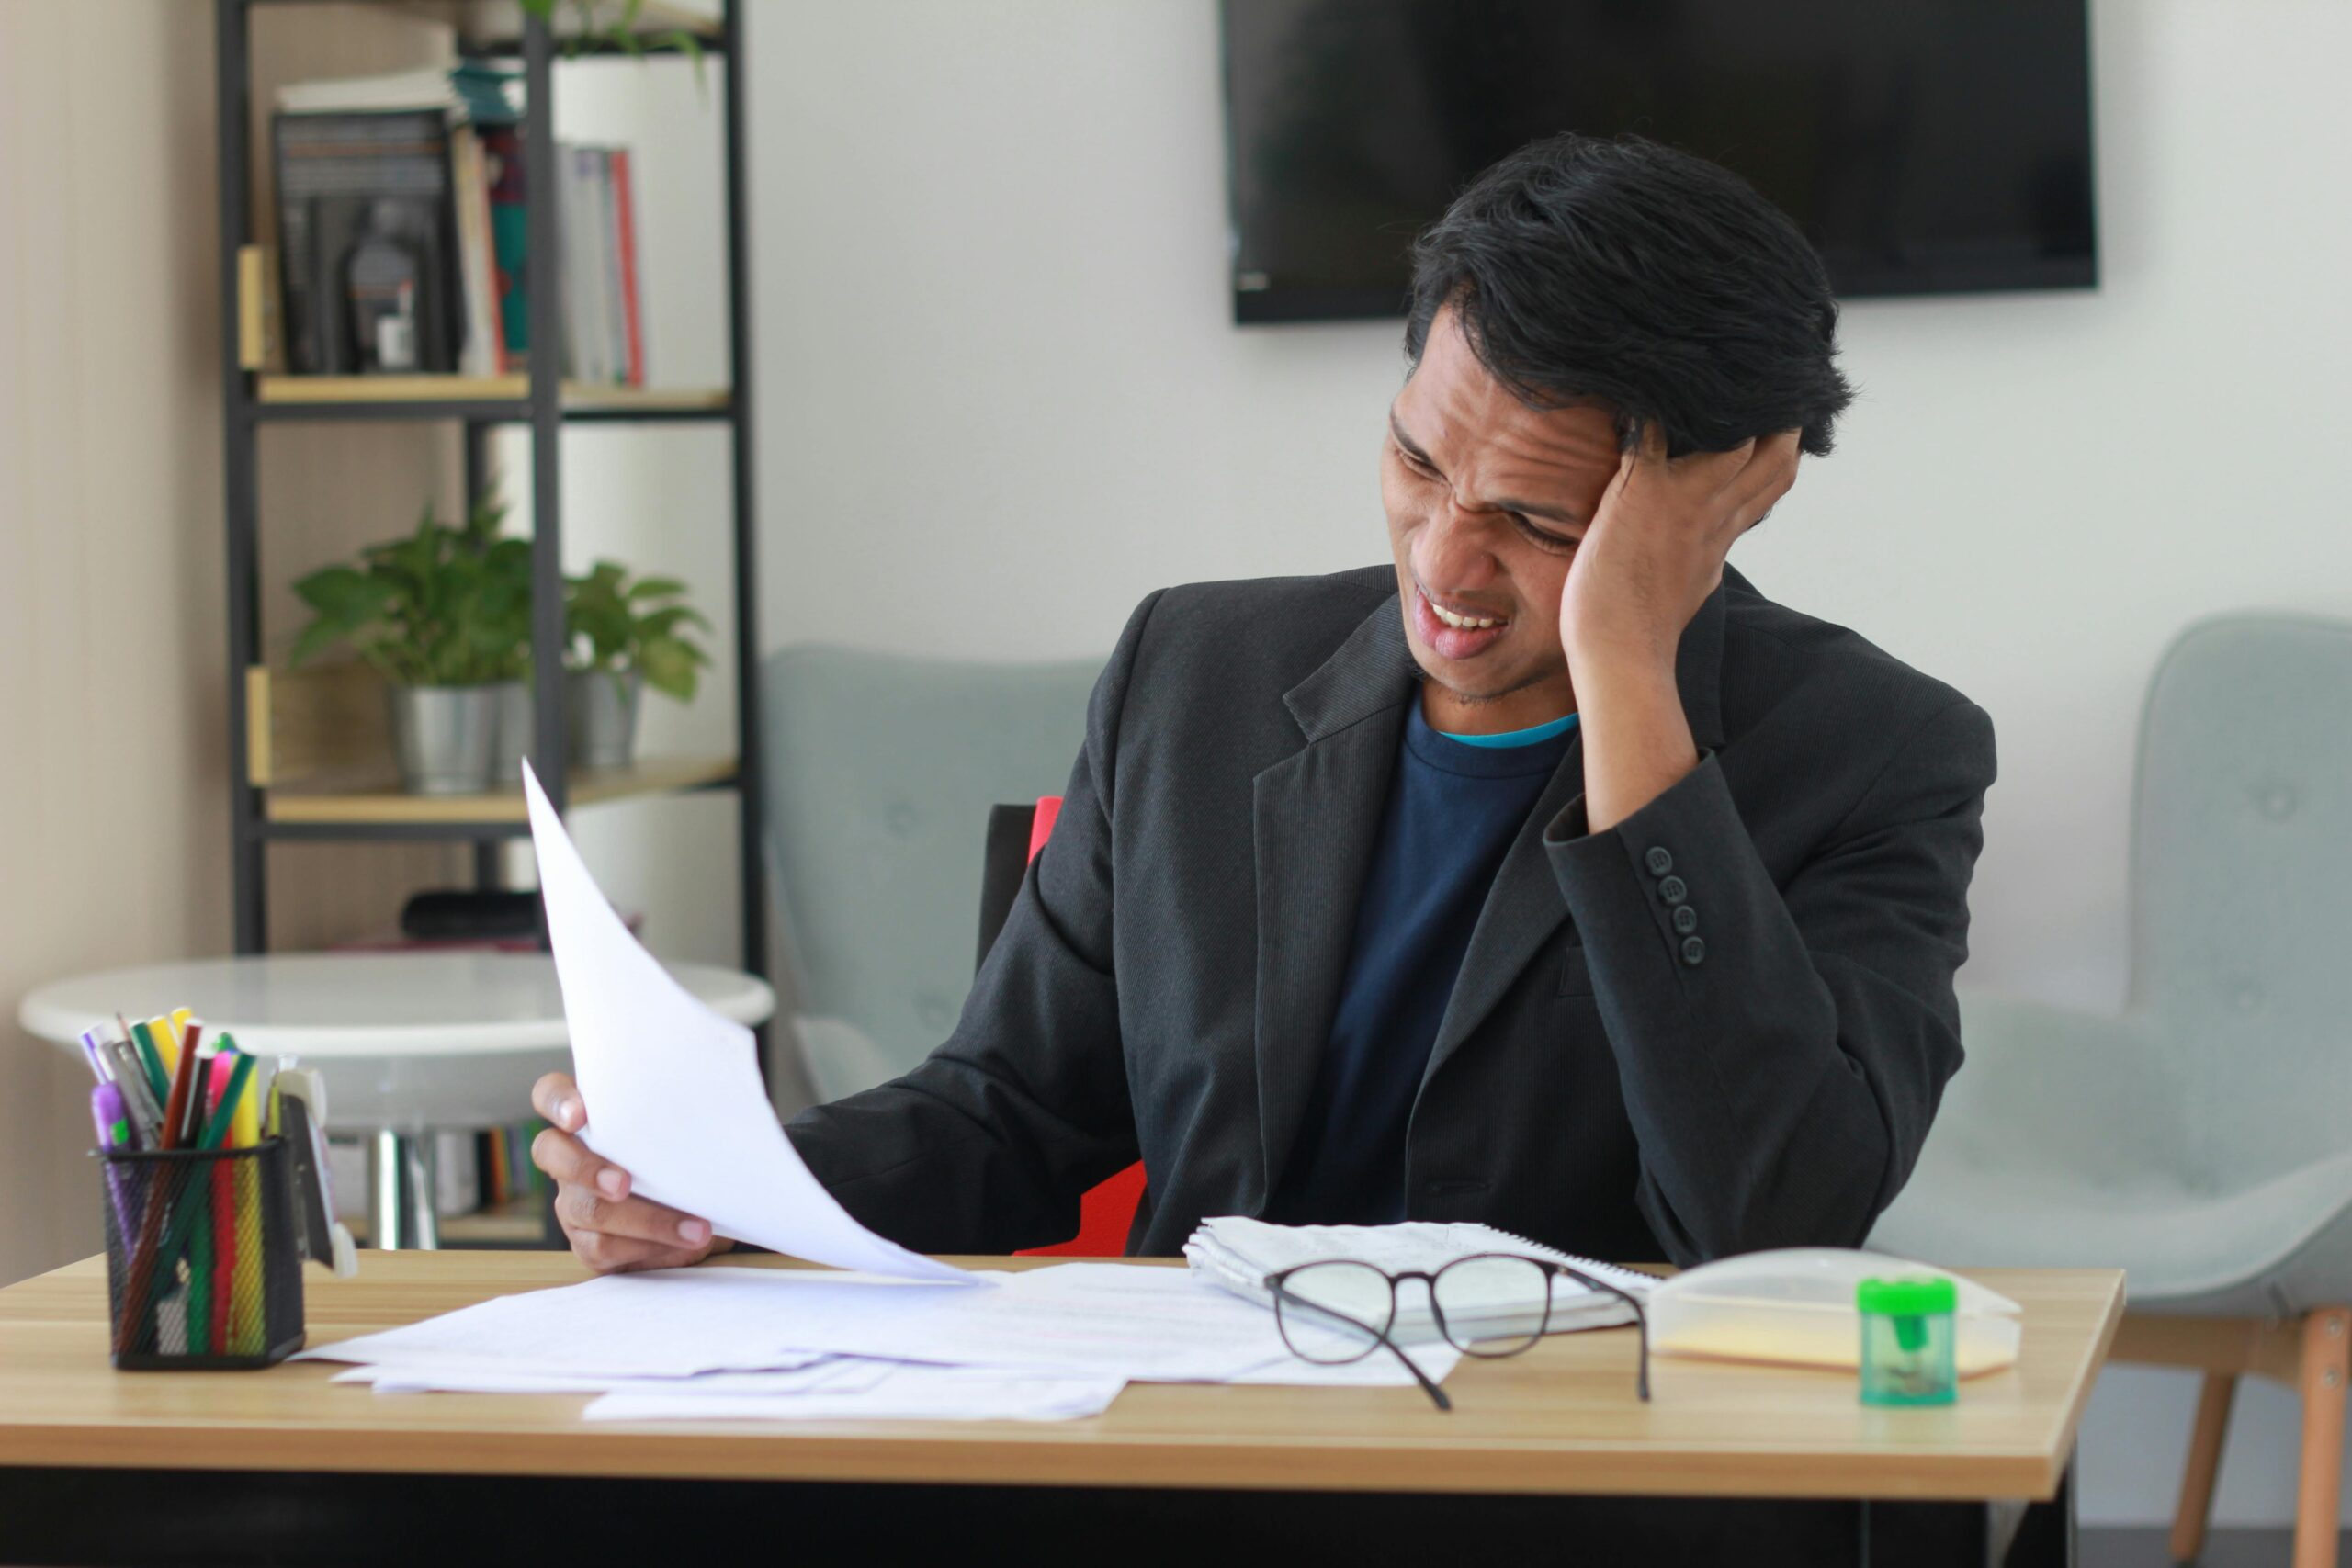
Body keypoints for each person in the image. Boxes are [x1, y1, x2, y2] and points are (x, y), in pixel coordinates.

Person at [530, 132, 1996, 1282]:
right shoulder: (1196, 675)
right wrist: (721, 1192)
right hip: (1200, 1455)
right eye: (1419, 465)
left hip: (1577, 1480)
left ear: (1711, 505)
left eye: (1540, 526)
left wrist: (1626, 667)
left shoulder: (1876, 759)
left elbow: (1769, 1222)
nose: (1445, 565)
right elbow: (1018, 1115)